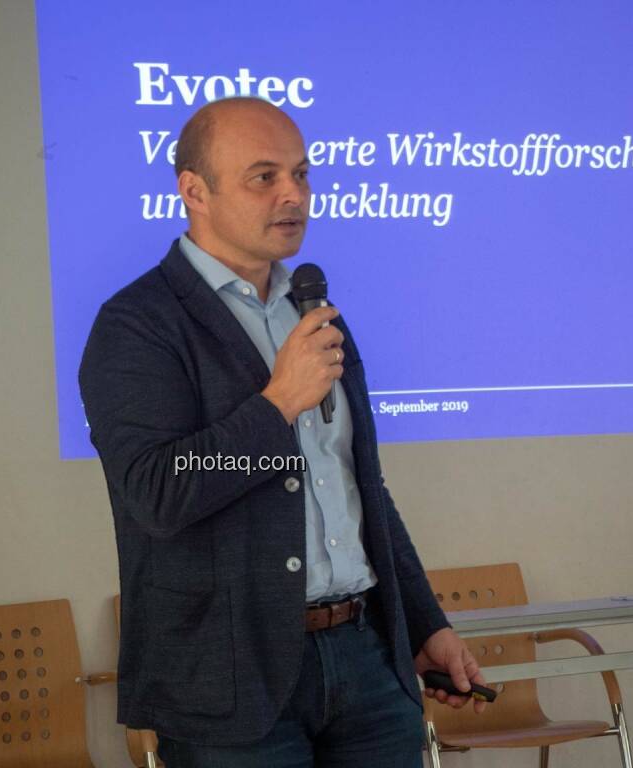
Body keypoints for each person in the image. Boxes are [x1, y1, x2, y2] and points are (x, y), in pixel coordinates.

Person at [79, 97, 486, 767]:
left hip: (364, 657)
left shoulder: (314, 313)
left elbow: (360, 488)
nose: (293, 194)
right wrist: (277, 406)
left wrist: (423, 624)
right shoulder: (137, 325)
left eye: (301, 174)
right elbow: (158, 493)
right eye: (263, 176)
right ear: (194, 191)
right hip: (228, 680)